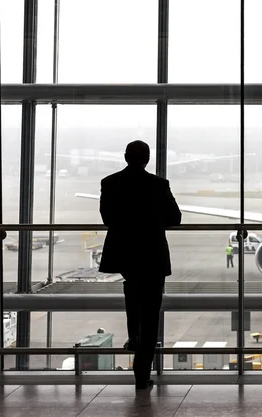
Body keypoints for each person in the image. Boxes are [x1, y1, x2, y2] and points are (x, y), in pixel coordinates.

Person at [98, 140, 181, 390]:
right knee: (151, 312)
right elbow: (175, 218)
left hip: (124, 254)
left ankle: (133, 336)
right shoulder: (158, 185)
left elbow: (106, 218)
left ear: (125, 157)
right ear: (147, 159)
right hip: (152, 253)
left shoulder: (110, 182)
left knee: (132, 299)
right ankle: (141, 374)